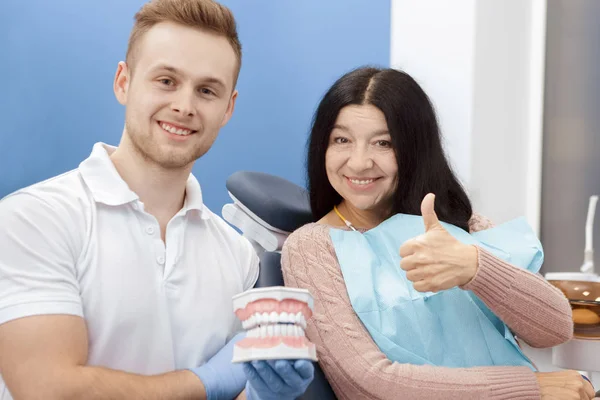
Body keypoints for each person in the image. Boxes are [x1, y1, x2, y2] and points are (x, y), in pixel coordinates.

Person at [0, 1, 314, 399]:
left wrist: (260, 395)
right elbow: (51, 391)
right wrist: (205, 382)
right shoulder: (34, 220)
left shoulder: (236, 254)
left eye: (206, 90)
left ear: (228, 108)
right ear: (123, 82)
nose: (184, 106)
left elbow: (235, 392)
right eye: (166, 81)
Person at [281, 66, 597, 400]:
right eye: (342, 140)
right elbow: (366, 383)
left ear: (415, 149)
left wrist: (477, 269)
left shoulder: (462, 225)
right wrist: (529, 389)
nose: (359, 162)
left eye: (383, 142)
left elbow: (553, 329)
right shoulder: (311, 248)